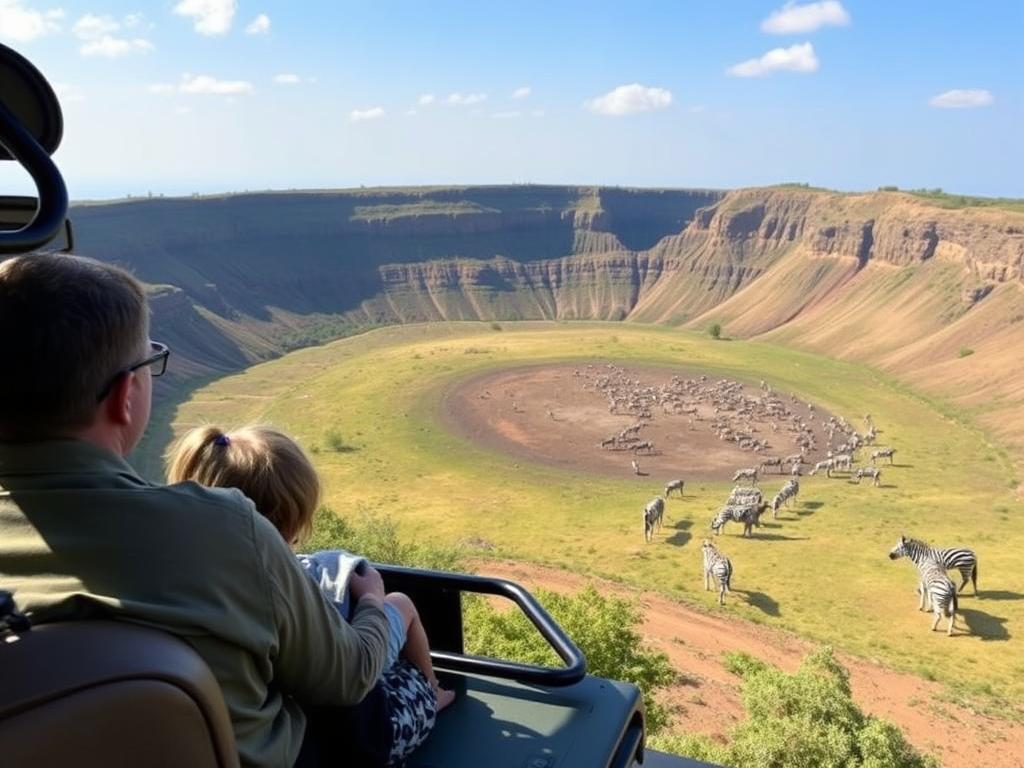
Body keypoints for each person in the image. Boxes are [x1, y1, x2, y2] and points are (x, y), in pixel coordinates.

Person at [0, 253, 393, 767]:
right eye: (148, 365)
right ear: (125, 394)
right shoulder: (225, 528)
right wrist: (372, 605)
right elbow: (344, 677)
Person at [165, 425, 454, 758]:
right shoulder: (284, 592)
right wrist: (372, 599)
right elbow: (353, 673)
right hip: (349, 737)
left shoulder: (187, 583)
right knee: (401, 608)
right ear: (287, 525)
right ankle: (432, 691)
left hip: (233, 736)